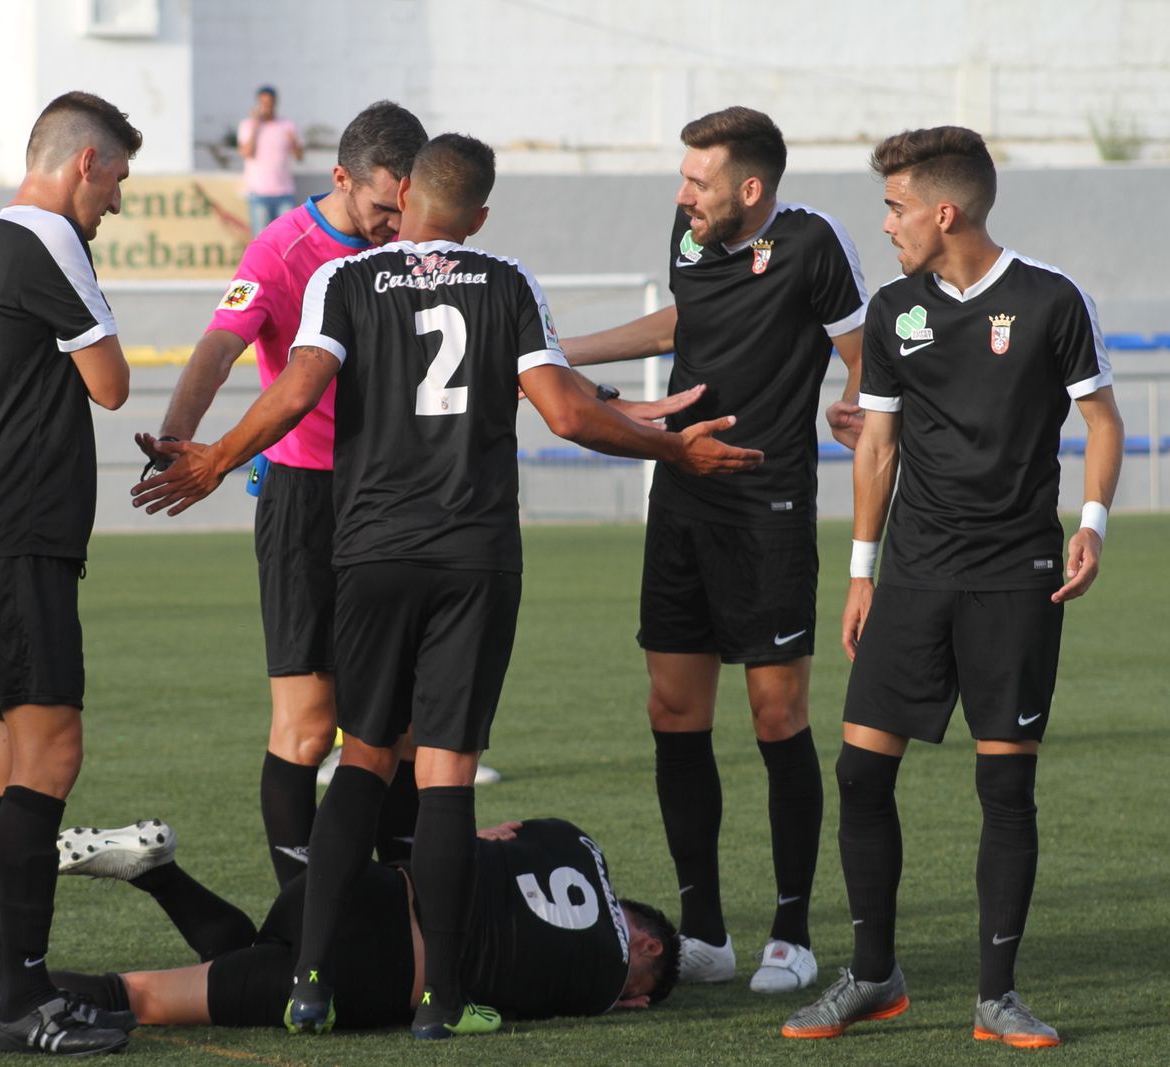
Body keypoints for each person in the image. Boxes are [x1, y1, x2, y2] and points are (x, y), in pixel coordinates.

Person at [132, 133, 760, 1039]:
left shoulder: (345, 281)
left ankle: (309, 978)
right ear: (480, 215)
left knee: (363, 757)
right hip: (473, 557)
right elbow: (568, 412)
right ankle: (443, 998)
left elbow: (300, 386)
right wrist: (676, 448)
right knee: (447, 779)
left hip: (372, 549)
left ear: (410, 196)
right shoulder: (508, 279)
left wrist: (219, 459)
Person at [782, 126, 1122, 1049]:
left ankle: (997, 995)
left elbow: (1102, 421)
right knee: (859, 772)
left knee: (1005, 788)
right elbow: (878, 445)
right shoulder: (893, 308)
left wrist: (1091, 522)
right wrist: (861, 570)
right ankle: (874, 974)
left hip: (1018, 575)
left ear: (946, 210)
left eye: (895, 207)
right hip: (914, 572)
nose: (885, 224)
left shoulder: (1052, 300)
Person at [561, 106, 868, 994]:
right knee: (672, 709)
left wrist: (855, 404)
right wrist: (557, 350)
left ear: (751, 189)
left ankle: (792, 931)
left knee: (777, 716)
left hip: (766, 507)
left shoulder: (812, 244)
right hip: (682, 496)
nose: (681, 194)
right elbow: (679, 323)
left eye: (698, 181)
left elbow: (861, 352)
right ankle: (704, 930)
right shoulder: (690, 233)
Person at [139, 100, 430, 891]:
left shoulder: (417, 246)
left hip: (398, 499)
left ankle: (399, 905)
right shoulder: (282, 249)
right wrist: (177, 433)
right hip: (307, 500)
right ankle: (304, 919)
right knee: (307, 725)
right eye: (379, 208)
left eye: (405, 208)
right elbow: (217, 348)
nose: (392, 226)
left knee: (397, 727)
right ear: (340, 178)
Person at [0, 90, 139, 1057]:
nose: (116, 202)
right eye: (117, 182)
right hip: (20, 535)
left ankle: (16, 984)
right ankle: (25, 998)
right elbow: (112, 382)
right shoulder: (47, 238)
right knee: (53, 756)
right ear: (86, 161)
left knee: (7, 765)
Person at [0, 816, 680, 1031]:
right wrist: (617, 992)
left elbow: (480, 831)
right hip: (382, 968)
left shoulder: (574, 839)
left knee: (255, 957)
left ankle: (162, 873)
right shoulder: (606, 980)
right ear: (644, 948)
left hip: (345, 896)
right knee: (137, 996)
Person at [238, 85, 303, 235]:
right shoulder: (247, 125)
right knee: (262, 239)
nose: (266, 107)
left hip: (284, 192)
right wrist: (255, 126)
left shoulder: (287, 125)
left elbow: (299, 157)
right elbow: (246, 153)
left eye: (270, 103)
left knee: (287, 237)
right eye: (263, 103)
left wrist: (294, 143)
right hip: (258, 193)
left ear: (275, 103)